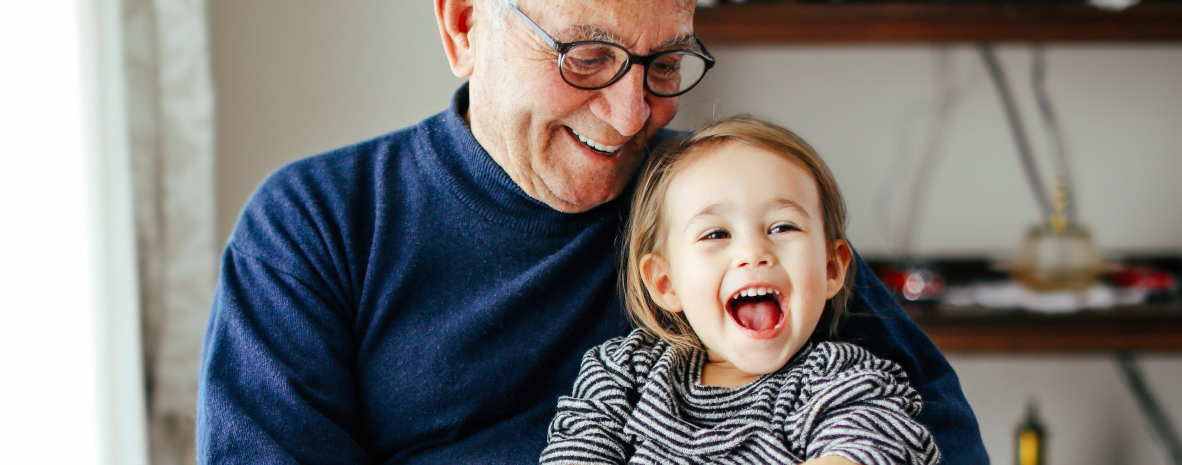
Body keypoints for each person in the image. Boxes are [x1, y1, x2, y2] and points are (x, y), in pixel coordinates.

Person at [198, 0, 987, 463]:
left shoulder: (716, 202)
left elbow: (934, 426)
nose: (631, 114)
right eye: (585, 56)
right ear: (465, 24)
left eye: (665, 64)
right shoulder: (317, 225)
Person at [541, 116, 939, 465]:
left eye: (782, 227)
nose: (753, 252)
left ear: (832, 267)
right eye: (716, 234)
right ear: (666, 283)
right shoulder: (622, 374)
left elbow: (875, 440)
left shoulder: (840, 378)